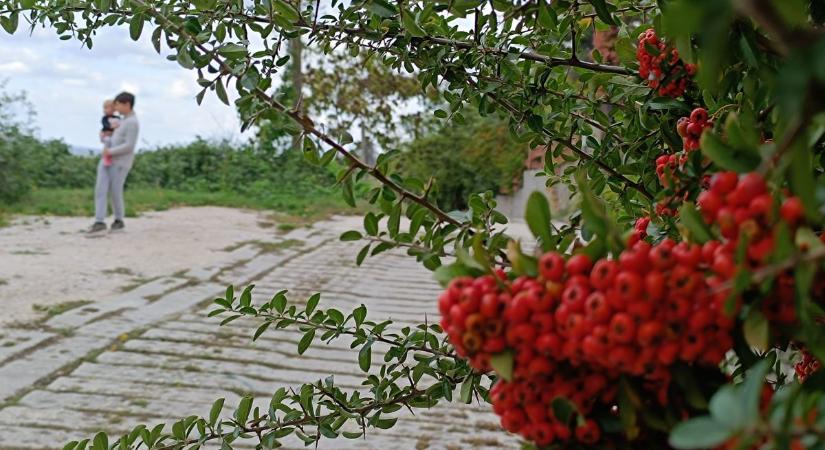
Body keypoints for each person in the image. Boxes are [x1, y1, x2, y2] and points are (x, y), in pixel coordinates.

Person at [87, 92, 139, 234]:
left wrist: (111, 152)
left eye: (118, 104)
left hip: (120, 162)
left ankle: (118, 219)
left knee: (115, 191)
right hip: (107, 160)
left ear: (127, 104)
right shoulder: (122, 121)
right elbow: (114, 139)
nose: (116, 108)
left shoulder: (132, 122)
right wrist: (104, 139)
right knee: (100, 189)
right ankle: (99, 220)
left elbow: (129, 145)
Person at [99, 99, 120, 167]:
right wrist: (112, 127)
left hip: (114, 136)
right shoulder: (104, 118)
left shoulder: (117, 118)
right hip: (106, 135)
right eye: (104, 108)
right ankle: (106, 157)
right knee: (108, 141)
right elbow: (106, 125)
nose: (104, 110)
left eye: (106, 108)